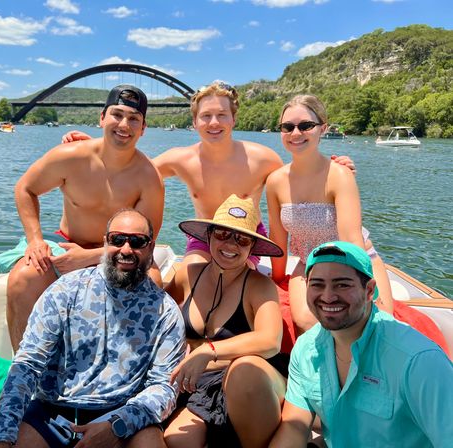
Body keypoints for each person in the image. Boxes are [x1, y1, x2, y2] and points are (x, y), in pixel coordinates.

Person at [63, 81, 354, 269]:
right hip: (203, 236)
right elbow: (130, 169)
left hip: (247, 237)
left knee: (236, 283)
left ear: (233, 119)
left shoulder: (263, 158)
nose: (214, 123)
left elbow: (296, 180)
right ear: (194, 122)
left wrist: (331, 167)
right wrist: (94, 145)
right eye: (205, 116)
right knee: (189, 278)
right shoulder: (181, 159)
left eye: (221, 115)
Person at [0, 209, 186, 448]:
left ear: (151, 248)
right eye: (117, 239)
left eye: (137, 241)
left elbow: (164, 385)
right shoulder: (65, 291)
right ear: (105, 243)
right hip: (52, 413)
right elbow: (27, 365)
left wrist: (118, 425)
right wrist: (1, 436)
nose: (126, 249)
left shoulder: (166, 312)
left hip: (122, 414)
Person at [1, 85, 164, 351]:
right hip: (66, 241)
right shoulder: (69, 157)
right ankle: (25, 372)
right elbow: (25, 189)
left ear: (143, 128)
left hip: (123, 250)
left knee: (153, 283)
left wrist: (89, 257)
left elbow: (145, 241)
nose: (124, 124)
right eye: (117, 114)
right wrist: (35, 240)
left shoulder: (149, 178)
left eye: (134, 119)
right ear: (102, 118)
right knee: (22, 279)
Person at [269, 241, 453, 448]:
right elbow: (295, 427)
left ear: (369, 291)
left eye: (342, 284)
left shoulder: (419, 361)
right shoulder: (305, 349)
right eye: (317, 284)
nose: (328, 296)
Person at [163, 195, 287, 448]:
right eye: (222, 234)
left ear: (252, 247)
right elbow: (152, 308)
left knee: (246, 368)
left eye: (242, 239)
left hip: (248, 384)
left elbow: (270, 340)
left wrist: (209, 351)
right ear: (208, 236)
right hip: (196, 384)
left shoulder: (259, 286)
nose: (231, 244)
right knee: (177, 441)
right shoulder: (188, 274)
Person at [266, 94, 396, 334]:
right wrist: (276, 281)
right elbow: (277, 238)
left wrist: (365, 288)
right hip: (309, 264)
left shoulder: (339, 175)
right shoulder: (275, 182)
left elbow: (351, 240)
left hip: (353, 261)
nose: (296, 133)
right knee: (307, 321)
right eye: (287, 127)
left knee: (377, 323)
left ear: (322, 128)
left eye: (306, 125)